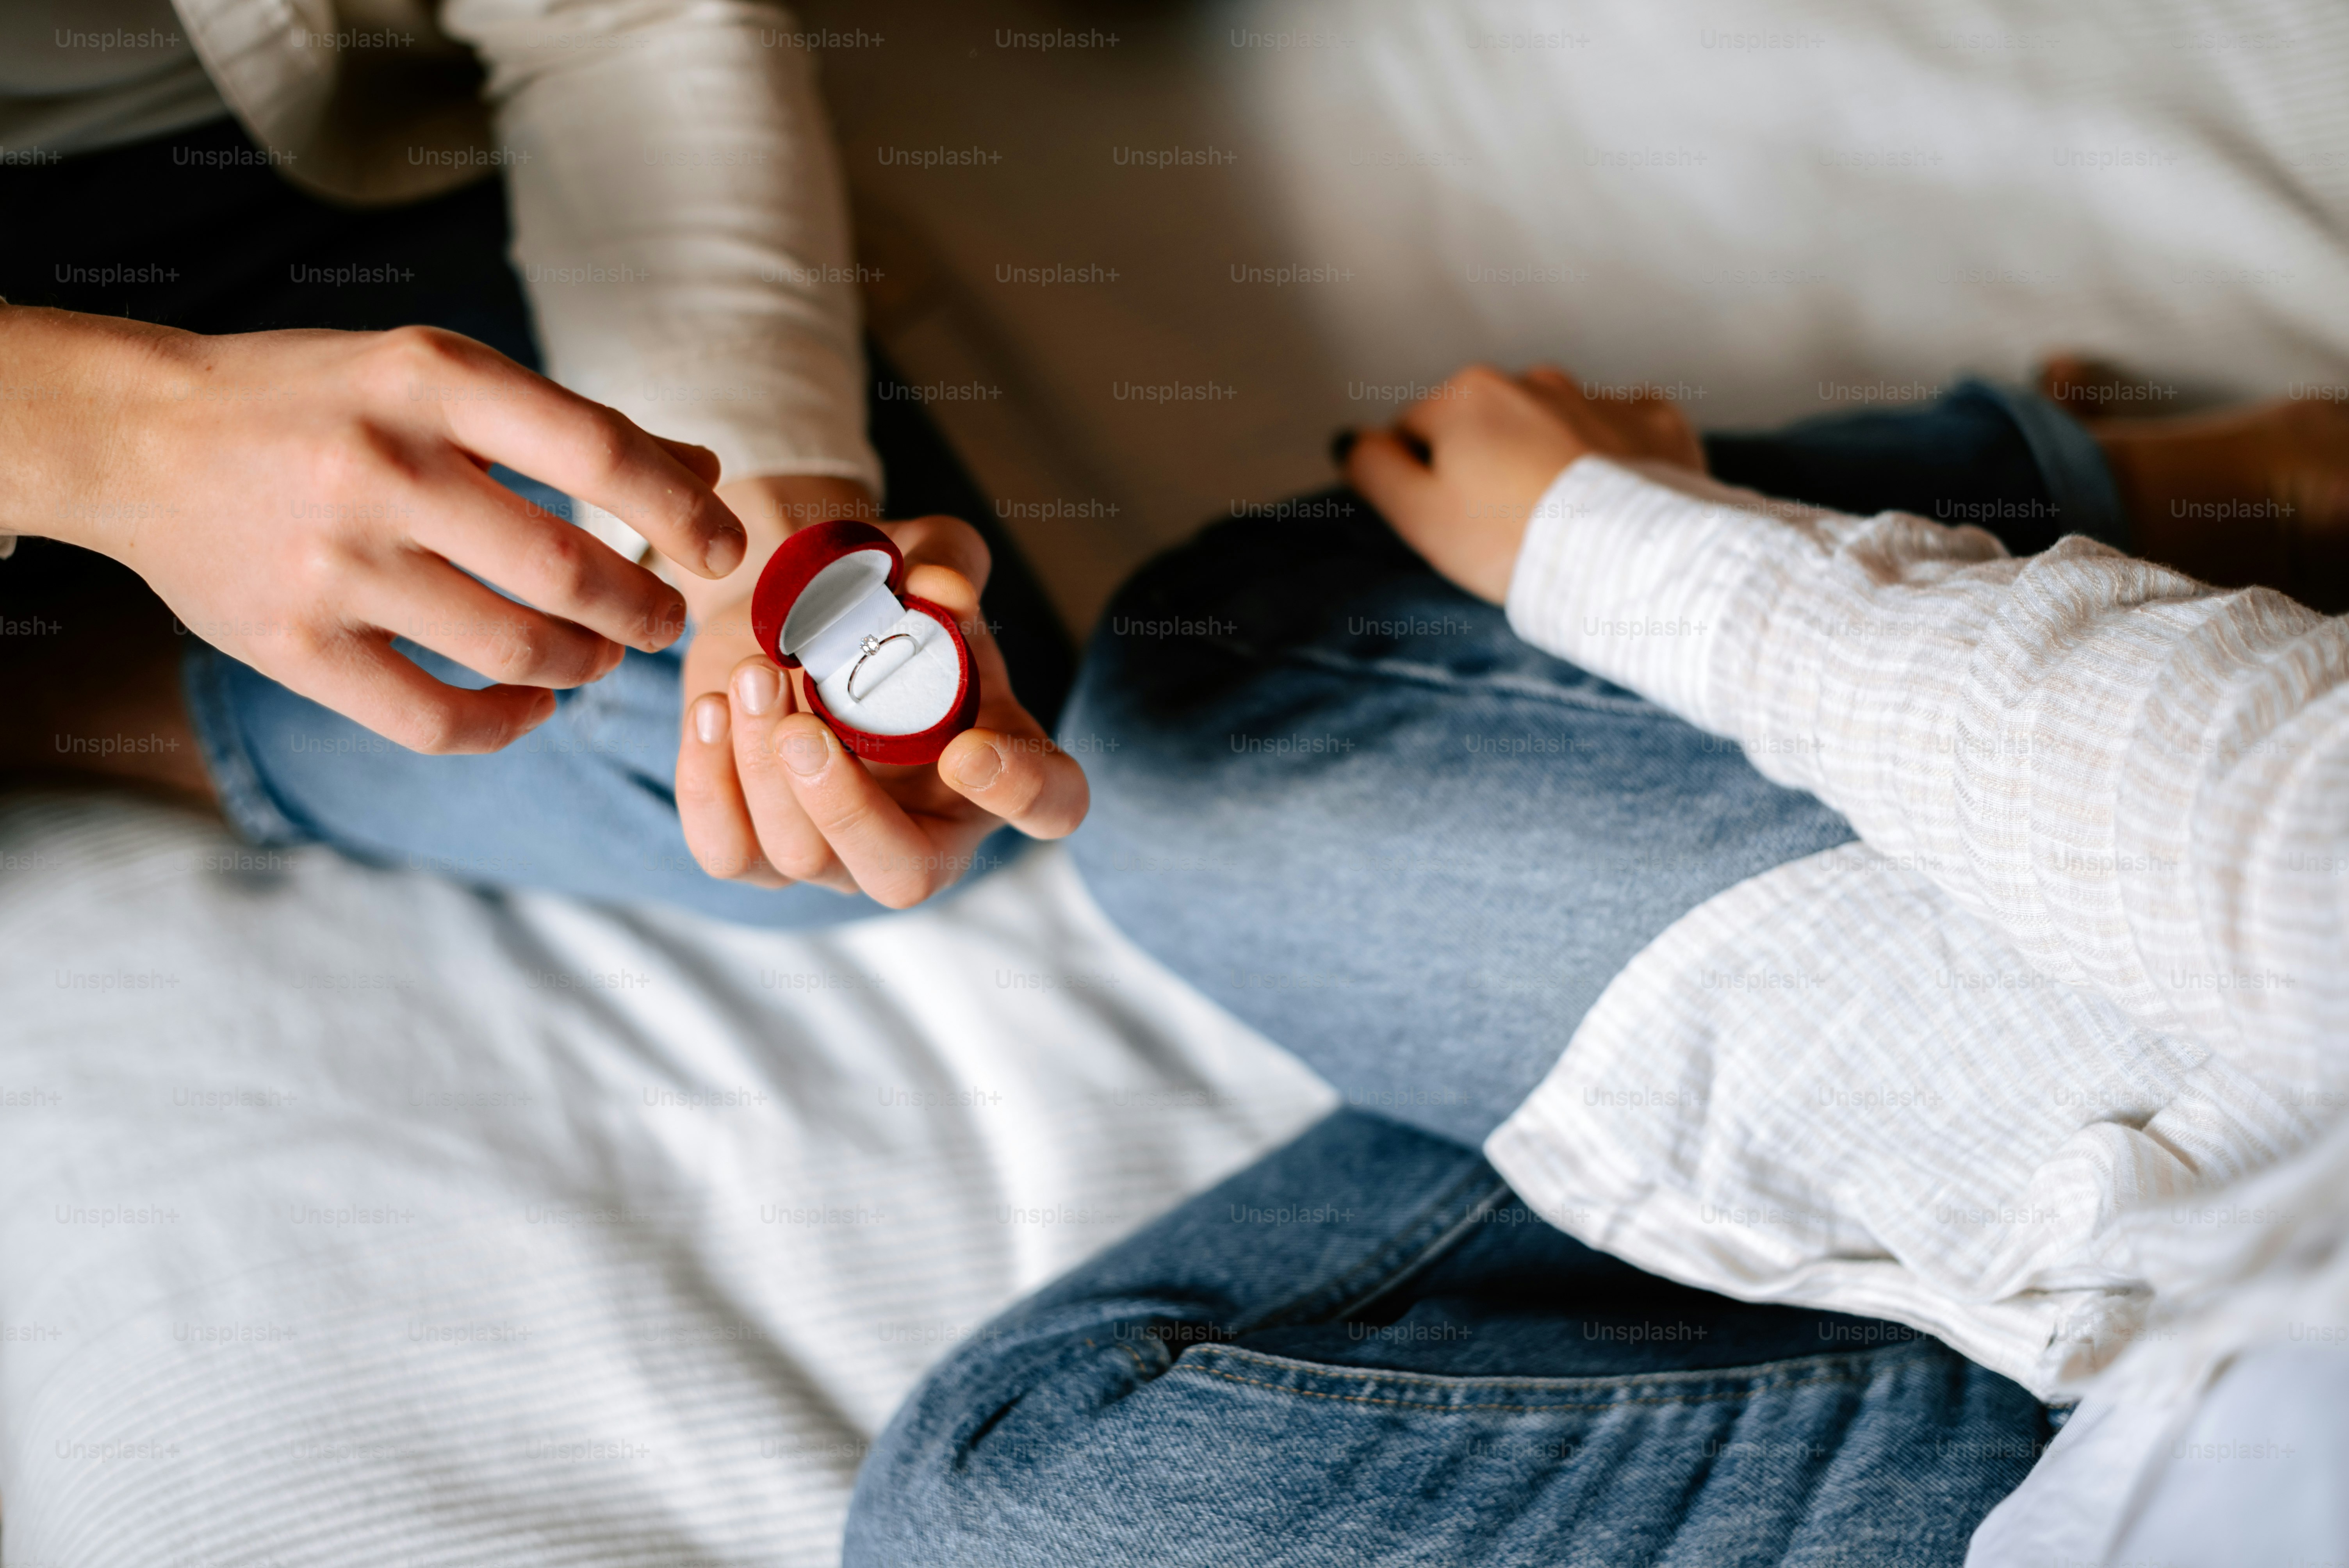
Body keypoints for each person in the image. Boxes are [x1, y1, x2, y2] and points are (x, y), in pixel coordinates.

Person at [838, 364, 2349, 1565]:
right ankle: (2168, 495)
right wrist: (1619, 540)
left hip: (2087, 1432)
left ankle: (2060, 504)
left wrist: (1625, 535)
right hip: (2205, 1220)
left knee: (993, 1523)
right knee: (1192, 750)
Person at [0, 0, 1085, 921]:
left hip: (338, 159)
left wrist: (750, 541)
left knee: (856, 780)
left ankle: (58, 680)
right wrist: (109, 442)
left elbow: (620, 27)